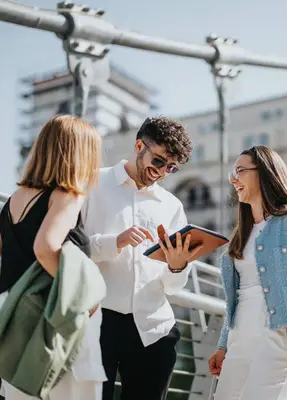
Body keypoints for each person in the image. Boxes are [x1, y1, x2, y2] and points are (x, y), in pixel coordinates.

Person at [0, 114, 106, 400]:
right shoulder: (67, 196)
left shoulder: (13, 201)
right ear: (80, 155)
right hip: (58, 321)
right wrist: (80, 296)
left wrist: (8, 302)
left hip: (19, 325)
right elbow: (45, 247)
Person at [82, 116, 202, 400]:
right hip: (95, 321)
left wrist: (176, 267)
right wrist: (115, 242)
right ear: (139, 146)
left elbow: (173, 286)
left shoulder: (172, 206)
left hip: (154, 328)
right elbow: (67, 248)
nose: (161, 172)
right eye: (159, 161)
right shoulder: (92, 183)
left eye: (171, 168)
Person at [207, 146, 287, 400]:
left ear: (264, 173)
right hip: (239, 339)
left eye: (240, 171)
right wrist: (224, 344)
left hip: (280, 336)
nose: (233, 179)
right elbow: (236, 298)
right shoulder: (240, 235)